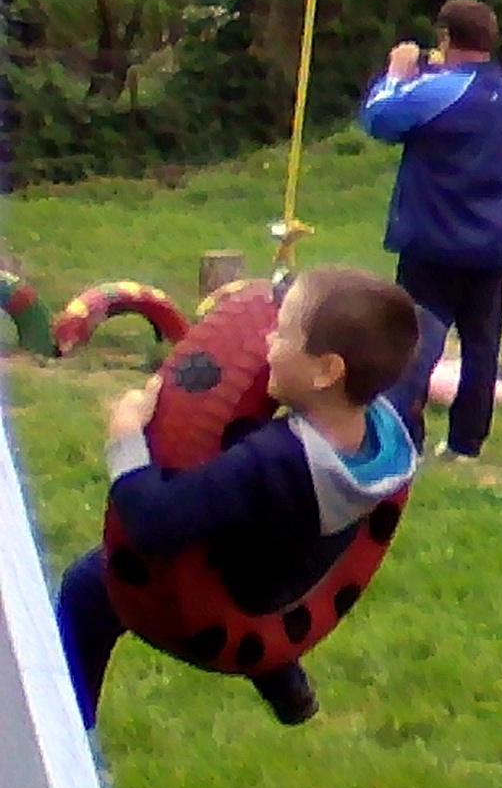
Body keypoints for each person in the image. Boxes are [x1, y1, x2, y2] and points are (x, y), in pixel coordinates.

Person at [53, 268, 420, 731]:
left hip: (226, 591)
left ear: (327, 371)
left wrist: (126, 438)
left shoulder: (270, 463)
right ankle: (282, 679)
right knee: (270, 548)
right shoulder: (388, 436)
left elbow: (153, 524)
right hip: (291, 578)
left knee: (87, 588)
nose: (267, 342)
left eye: (282, 333)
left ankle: (64, 737)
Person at [359, 0, 502, 461]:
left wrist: (397, 74)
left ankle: (402, 438)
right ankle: (466, 444)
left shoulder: (432, 92)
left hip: (434, 239)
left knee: (414, 345)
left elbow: (378, 118)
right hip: (493, 239)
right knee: (481, 348)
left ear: (445, 37)